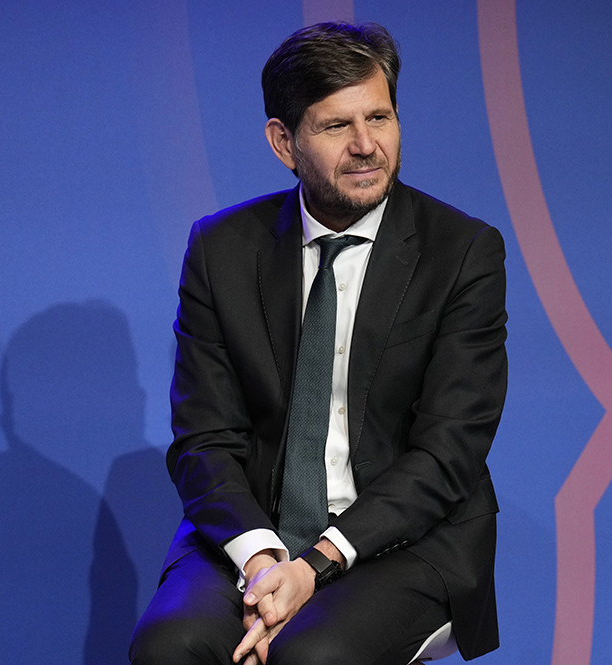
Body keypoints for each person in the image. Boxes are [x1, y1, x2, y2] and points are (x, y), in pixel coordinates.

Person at [129, 21, 507, 665]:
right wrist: (263, 556)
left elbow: (448, 452)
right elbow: (204, 437)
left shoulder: (462, 251)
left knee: (312, 657)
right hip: (254, 532)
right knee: (170, 646)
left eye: (380, 118)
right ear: (285, 143)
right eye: (336, 126)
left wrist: (316, 565)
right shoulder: (222, 250)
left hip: (405, 540)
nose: (367, 146)